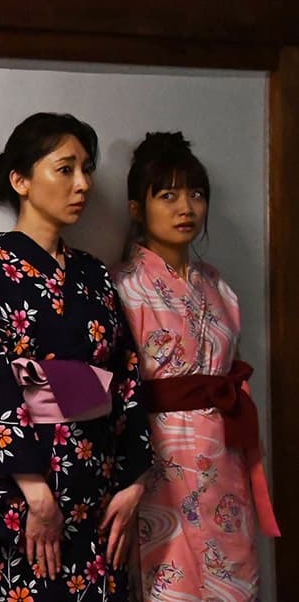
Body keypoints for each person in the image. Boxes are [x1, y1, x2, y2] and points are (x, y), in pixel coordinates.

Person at [0, 113, 152, 601]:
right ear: (20, 180)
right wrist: (35, 491)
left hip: (100, 488)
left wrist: (133, 481)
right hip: (28, 493)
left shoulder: (94, 275)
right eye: (65, 169)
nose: (82, 184)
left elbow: (126, 375)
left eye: (86, 169)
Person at [112, 132, 278, 601]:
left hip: (225, 454)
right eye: (167, 195)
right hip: (160, 457)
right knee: (171, 579)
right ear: (137, 208)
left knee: (234, 576)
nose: (186, 207)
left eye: (196, 194)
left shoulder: (217, 285)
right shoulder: (122, 286)